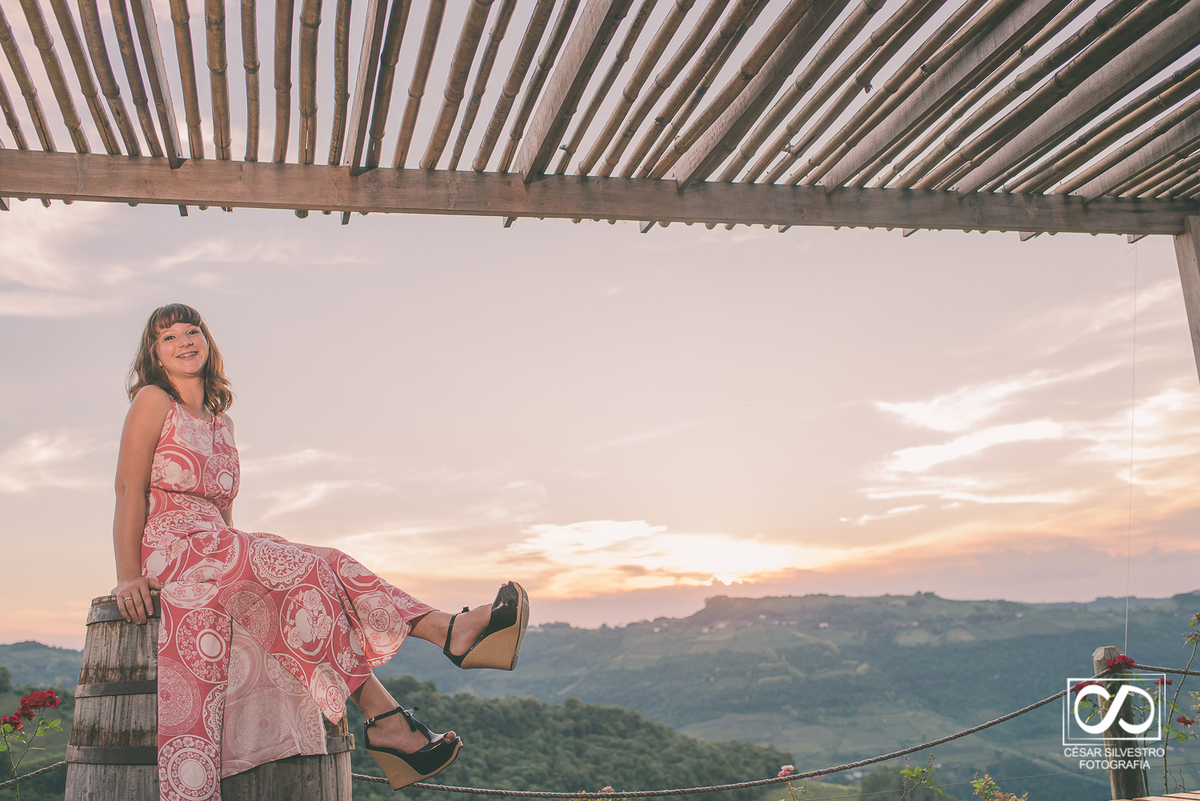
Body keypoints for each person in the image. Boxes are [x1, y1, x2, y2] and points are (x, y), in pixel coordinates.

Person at [111, 303, 529, 800]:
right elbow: (127, 487)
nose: (183, 341)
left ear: (207, 340)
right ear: (155, 354)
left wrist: (248, 567)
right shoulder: (154, 400)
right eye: (168, 337)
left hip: (218, 544)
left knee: (326, 562)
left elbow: (223, 512)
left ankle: (433, 648)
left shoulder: (223, 424)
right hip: (173, 546)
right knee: (296, 564)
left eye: (191, 330)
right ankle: (410, 683)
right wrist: (127, 574)